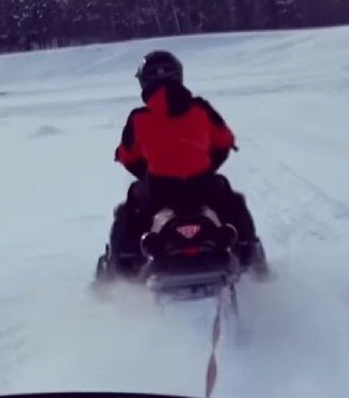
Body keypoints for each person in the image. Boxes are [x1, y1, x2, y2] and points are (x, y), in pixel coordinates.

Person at [107, 50, 265, 274]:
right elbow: (224, 140)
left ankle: (123, 265)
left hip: (160, 190)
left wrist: (139, 164)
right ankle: (249, 253)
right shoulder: (201, 108)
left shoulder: (138, 118)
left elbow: (128, 156)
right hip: (202, 187)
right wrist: (205, 162)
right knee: (232, 200)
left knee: (129, 207)